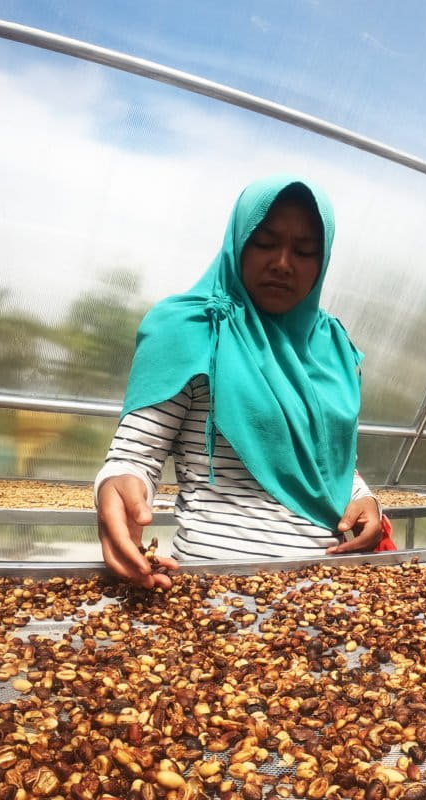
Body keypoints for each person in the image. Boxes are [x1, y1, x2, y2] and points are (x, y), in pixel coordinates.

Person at [95, 175, 385, 589]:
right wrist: (118, 488)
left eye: (305, 251)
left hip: (328, 590)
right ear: (237, 242)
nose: (283, 263)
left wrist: (364, 497)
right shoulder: (197, 329)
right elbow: (134, 456)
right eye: (265, 242)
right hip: (215, 590)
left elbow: (328, 460)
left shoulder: (333, 347)